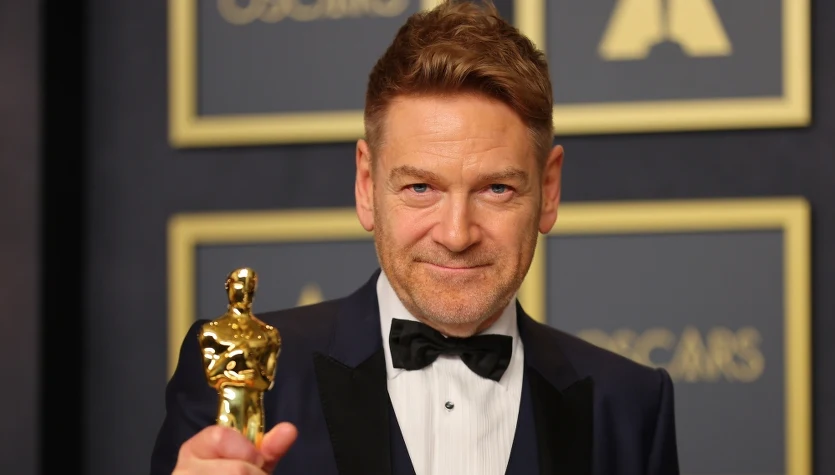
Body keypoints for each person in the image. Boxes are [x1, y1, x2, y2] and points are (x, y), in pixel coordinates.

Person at [150, 1, 680, 474]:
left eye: (496, 188)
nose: (456, 234)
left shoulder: (630, 405)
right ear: (366, 184)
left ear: (549, 189)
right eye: (421, 187)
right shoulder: (239, 374)